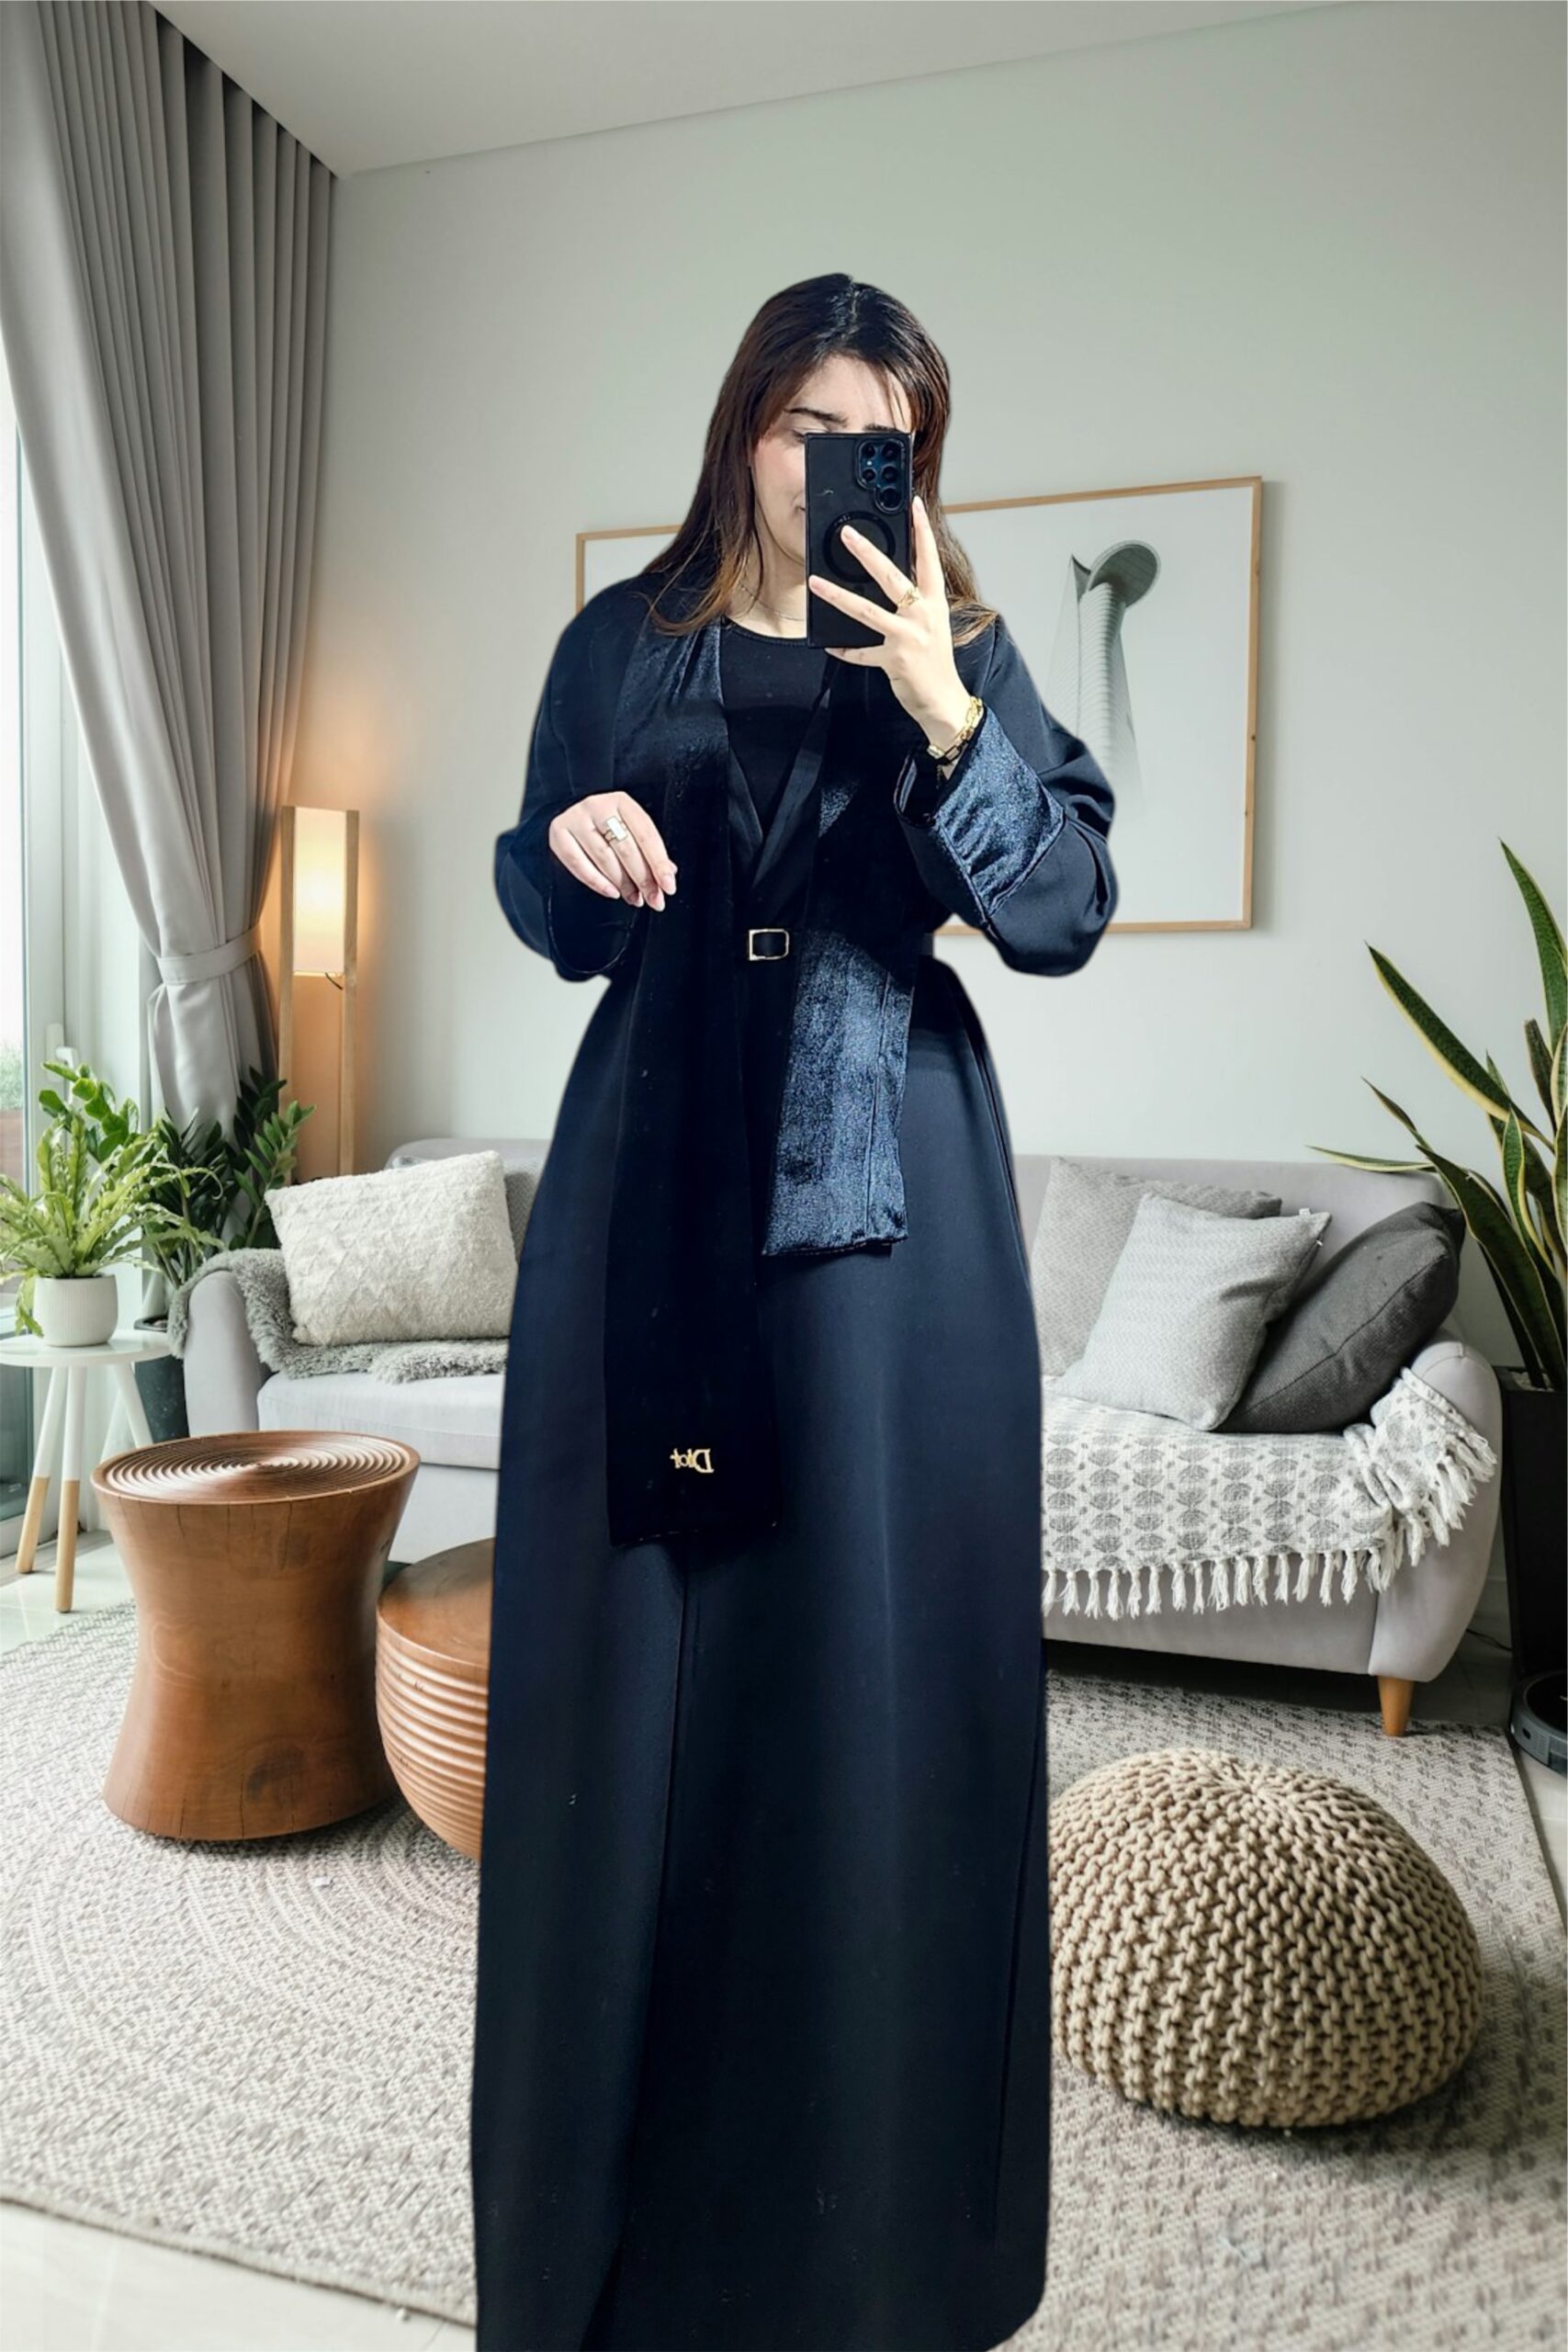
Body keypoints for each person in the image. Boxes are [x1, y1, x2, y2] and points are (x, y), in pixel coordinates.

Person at [472, 270, 1118, 2352]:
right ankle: (609, 2254)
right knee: (628, 1683)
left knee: (861, 1682)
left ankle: (869, 2261)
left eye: (881, 436)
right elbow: (545, 896)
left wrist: (943, 709)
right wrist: (566, 842)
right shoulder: (619, 639)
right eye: (805, 424)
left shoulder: (969, 649)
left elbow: (1062, 913)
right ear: (741, 428)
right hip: (648, 1180)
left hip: (885, 1227)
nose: (838, 461)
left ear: (918, 458)